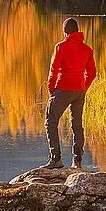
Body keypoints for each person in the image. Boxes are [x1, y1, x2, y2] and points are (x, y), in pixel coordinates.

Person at [45, 16, 96, 167]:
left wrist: (51, 89)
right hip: (79, 90)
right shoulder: (87, 49)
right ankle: (77, 161)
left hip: (63, 88)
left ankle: (56, 159)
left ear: (65, 32)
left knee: (51, 121)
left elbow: (53, 70)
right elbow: (92, 73)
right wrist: (83, 86)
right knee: (77, 125)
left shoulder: (61, 47)